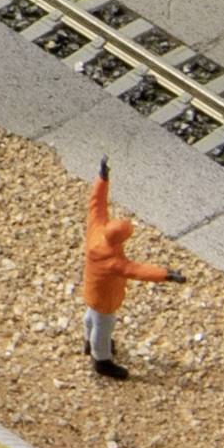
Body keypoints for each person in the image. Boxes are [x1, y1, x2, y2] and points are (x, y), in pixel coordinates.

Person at [83, 157, 183, 381]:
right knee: (104, 326)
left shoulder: (96, 230)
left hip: (91, 290)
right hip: (104, 299)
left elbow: (96, 205)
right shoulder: (113, 261)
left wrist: (101, 179)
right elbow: (138, 270)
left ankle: (88, 341)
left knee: (90, 317)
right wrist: (166, 274)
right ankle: (101, 360)